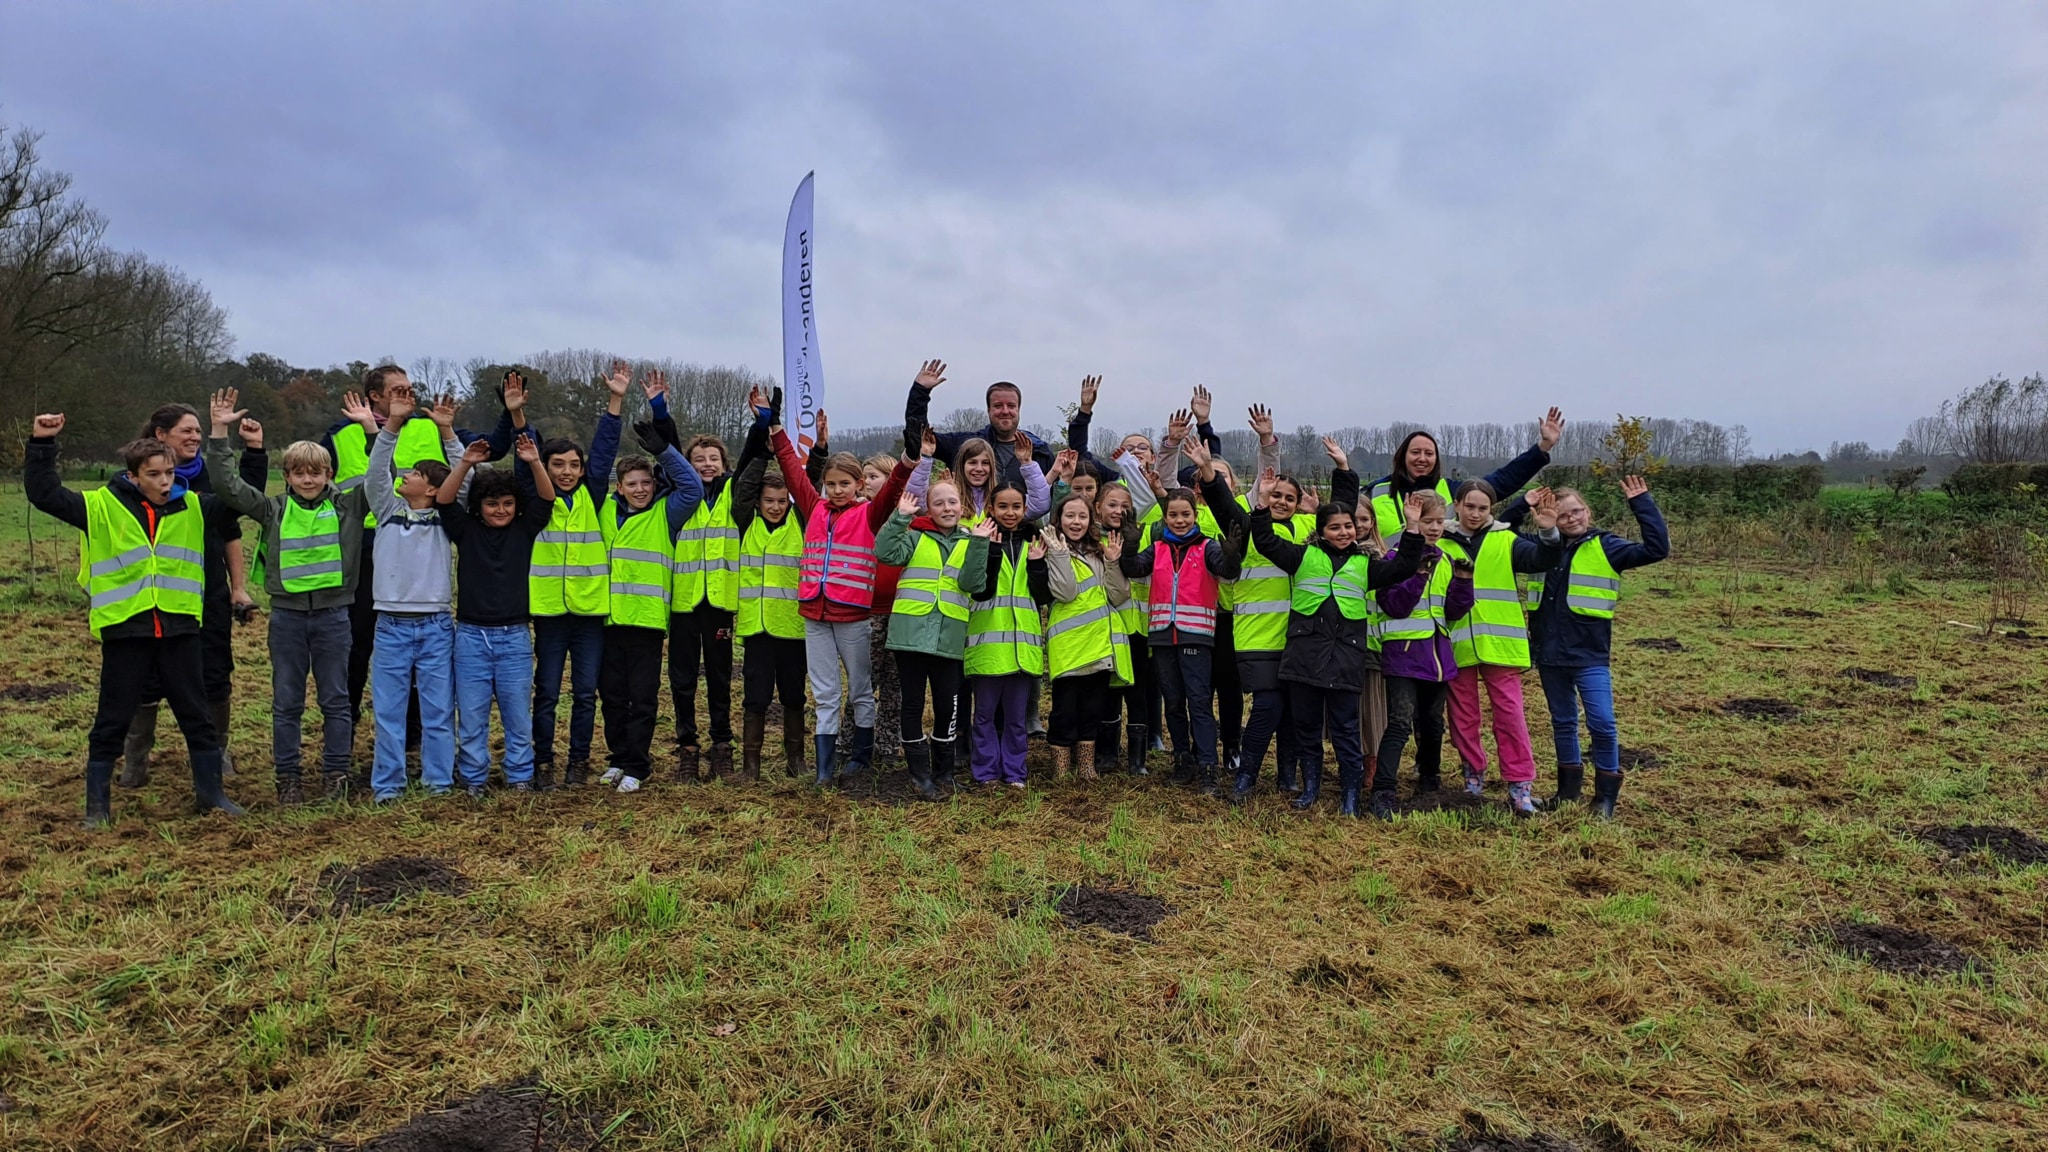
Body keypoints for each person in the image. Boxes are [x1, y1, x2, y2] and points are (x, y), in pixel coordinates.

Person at [28, 414, 243, 825]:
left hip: (180, 630)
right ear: (133, 476)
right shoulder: (100, 506)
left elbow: (240, 498)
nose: (166, 481)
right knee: (111, 718)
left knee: (196, 716)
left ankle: (211, 795)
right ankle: (98, 809)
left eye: (169, 473)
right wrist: (42, 442)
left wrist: (250, 450)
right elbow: (44, 494)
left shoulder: (194, 505)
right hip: (127, 632)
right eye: (155, 474)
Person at [205, 390, 371, 804]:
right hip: (288, 620)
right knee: (287, 704)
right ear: (288, 477)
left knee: (336, 701)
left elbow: (382, 474)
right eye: (300, 473)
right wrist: (220, 432)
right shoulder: (273, 510)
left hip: (335, 617)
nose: (309, 480)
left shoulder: (350, 508)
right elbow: (227, 485)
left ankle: (336, 774)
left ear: (330, 474)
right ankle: (289, 778)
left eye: (317, 473)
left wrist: (372, 430)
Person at [322, 365, 504, 738]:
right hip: (365, 546)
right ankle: (346, 727)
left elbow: (484, 454)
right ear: (375, 396)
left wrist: (505, 412)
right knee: (358, 646)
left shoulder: (429, 425)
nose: (408, 396)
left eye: (410, 388)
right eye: (398, 390)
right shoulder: (341, 433)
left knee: (419, 649)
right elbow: (315, 480)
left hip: (423, 542)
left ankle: (415, 732)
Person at [1249, 478, 1425, 816]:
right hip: (1303, 656)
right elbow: (1266, 541)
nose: (1344, 532)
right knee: (1307, 727)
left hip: (1345, 657)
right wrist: (1260, 504)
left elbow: (1403, 566)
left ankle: (1350, 794)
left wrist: (1413, 526)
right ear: (1321, 530)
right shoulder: (1301, 556)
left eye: (1348, 526)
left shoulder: (1366, 565)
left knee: (1346, 729)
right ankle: (1311, 787)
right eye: (1335, 527)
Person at [119, 401, 259, 788]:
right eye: (187, 431)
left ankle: (218, 753)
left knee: (214, 675)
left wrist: (239, 588)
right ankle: (136, 760)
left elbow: (230, 533)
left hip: (206, 595)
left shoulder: (211, 481)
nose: (195, 437)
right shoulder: (131, 484)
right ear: (160, 435)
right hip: (150, 601)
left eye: (199, 431)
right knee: (146, 681)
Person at [772, 401, 914, 783]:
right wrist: (774, 428)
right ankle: (824, 768)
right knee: (825, 693)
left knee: (861, 690)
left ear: (859, 485)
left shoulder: (868, 514)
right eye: (831, 484)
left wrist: (909, 457)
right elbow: (792, 471)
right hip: (814, 616)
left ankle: (861, 757)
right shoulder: (813, 507)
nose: (836, 490)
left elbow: (896, 486)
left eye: (844, 484)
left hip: (853, 617)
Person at [348, 385, 468, 802]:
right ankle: (388, 787)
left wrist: (449, 435)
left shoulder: (447, 516)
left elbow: (462, 480)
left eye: (415, 473)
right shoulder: (385, 510)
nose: (405, 475)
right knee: (389, 712)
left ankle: (438, 784)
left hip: (435, 625)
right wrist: (393, 424)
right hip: (391, 626)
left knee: (437, 712)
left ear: (433, 489)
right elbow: (377, 468)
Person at [1528, 477, 1669, 818]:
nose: (1572, 518)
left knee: (1602, 723)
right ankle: (1566, 792)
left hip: (1590, 653)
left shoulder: (1608, 546)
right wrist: (1527, 505)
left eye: (1577, 511)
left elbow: (1657, 548)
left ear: (1587, 511)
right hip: (1548, 652)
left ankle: (1604, 798)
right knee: (1562, 722)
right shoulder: (1540, 549)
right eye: (1563, 515)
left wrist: (1642, 503)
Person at [519, 364, 626, 789]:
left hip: (588, 611)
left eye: (573, 465)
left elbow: (604, 449)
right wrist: (517, 417)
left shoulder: (592, 493)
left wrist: (615, 401)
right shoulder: (535, 500)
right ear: (544, 466)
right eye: (557, 464)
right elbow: (522, 453)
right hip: (548, 611)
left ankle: (577, 762)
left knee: (585, 694)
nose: (566, 471)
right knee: (545, 692)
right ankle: (543, 761)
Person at [1117, 436, 1242, 795]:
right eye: (1173, 515)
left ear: (1195, 515)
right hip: (1162, 635)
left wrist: (1232, 555)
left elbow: (1227, 573)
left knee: (1199, 702)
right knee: (1173, 702)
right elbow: (1133, 569)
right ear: (1166, 517)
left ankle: (1207, 766)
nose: (1180, 520)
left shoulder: (1208, 547)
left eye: (1185, 514)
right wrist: (1129, 543)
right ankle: (1182, 759)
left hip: (1196, 636)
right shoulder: (1156, 548)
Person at [438, 434, 556, 795]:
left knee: (517, 715)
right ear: (478, 505)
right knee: (471, 716)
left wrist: (535, 462)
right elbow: (444, 500)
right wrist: (465, 464)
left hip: (515, 637)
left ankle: (520, 776)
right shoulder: (465, 529)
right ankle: (473, 778)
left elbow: (547, 498)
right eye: (492, 504)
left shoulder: (525, 529)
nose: (501, 510)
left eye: (507, 503)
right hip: (471, 636)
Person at [596, 405, 706, 793]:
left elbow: (691, 487)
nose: (640, 489)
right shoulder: (605, 511)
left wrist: (665, 452)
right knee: (611, 697)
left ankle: (638, 766)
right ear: (620, 487)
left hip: (645, 620)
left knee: (641, 699)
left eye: (646, 483)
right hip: (607, 619)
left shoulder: (666, 513)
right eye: (632, 484)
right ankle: (618, 757)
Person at [1441, 480, 1563, 815]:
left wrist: (1549, 533)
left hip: (1500, 644)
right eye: (1470, 506)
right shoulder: (1441, 542)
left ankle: (1520, 784)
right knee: (1463, 717)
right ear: (1457, 505)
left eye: (1483, 508)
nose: (1476, 513)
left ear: (1491, 510)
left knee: (1509, 717)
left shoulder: (1506, 539)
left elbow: (1541, 557)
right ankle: (1473, 777)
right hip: (1457, 644)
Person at [876, 476, 993, 798]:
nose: (946, 508)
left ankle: (944, 772)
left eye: (952, 502)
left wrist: (981, 542)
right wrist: (900, 516)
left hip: (950, 637)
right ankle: (919, 774)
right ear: (928, 507)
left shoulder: (971, 540)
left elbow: (973, 584)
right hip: (910, 636)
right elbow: (884, 552)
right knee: (912, 704)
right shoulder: (914, 537)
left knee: (948, 705)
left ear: (962, 506)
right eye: (938, 502)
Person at [649, 380, 741, 782]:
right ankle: (688, 746)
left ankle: (722, 744)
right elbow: (665, 449)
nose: (706, 465)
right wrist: (660, 410)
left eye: (713, 459)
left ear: (724, 464)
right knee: (682, 679)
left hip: (718, 602)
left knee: (720, 678)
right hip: (683, 603)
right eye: (698, 459)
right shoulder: (676, 493)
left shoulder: (734, 495)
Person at [1369, 490, 1474, 819]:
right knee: (1399, 723)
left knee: (1432, 724)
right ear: (1411, 521)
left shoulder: (1444, 559)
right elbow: (1396, 605)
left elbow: (1453, 611)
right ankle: (1383, 790)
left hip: (1437, 657)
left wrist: (1462, 582)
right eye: (1427, 521)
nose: (1434, 527)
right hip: (1403, 655)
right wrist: (1419, 576)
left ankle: (1430, 782)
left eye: (1439, 521)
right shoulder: (1394, 559)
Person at [731, 392, 810, 781]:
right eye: (769, 500)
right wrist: (762, 449)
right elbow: (742, 489)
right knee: (756, 699)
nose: (776, 506)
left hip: (793, 628)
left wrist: (820, 449)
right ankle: (751, 766)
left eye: (782, 500)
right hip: (757, 629)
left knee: (794, 697)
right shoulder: (746, 522)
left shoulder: (801, 522)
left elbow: (808, 485)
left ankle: (796, 760)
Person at [1038, 493, 1132, 782]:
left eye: (1082, 516)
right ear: (1059, 519)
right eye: (1069, 516)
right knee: (1064, 711)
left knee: (1093, 709)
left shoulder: (1098, 551)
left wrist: (1114, 563)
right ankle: (1061, 768)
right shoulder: (1052, 549)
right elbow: (1065, 592)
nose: (1076, 522)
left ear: (1091, 518)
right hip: (1068, 647)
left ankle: (1087, 767)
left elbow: (1118, 595)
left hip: (1098, 645)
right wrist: (1059, 554)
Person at [1363, 408, 1565, 543]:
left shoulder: (1451, 490)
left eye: (1429, 453)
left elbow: (1500, 482)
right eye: (1415, 452)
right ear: (1402, 456)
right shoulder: (1374, 492)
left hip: (1440, 583)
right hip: (1390, 586)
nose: (1422, 459)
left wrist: (1542, 448)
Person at [964, 482, 1044, 789]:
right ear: (990, 509)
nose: (1009, 513)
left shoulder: (1033, 544)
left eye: (1016, 507)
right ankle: (986, 773)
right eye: (1003, 507)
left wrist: (1038, 566)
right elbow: (979, 590)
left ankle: (1015, 773)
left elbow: (1042, 596)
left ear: (1025, 509)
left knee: (1016, 719)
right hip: (988, 648)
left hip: (1022, 649)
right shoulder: (980, 541)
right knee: (983, 717)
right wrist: (991, 551)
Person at [903, 358, 1055, 487]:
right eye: (997, 406)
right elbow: (919, 437)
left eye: (1011, 406)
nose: (1005, 411)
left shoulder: (1039, 452)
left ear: (1019, 409)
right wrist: (920, 392)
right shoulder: (963, 444)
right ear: (988, 410)